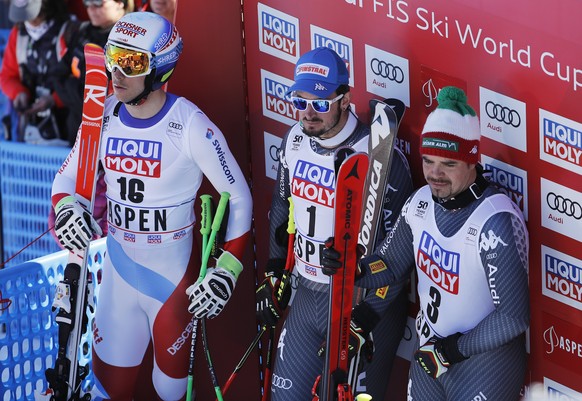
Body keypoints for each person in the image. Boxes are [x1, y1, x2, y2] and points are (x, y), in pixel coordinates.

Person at [51, 11, 252, 401]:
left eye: (132, 63)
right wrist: (66, 209)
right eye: (113, 57)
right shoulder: (102, 114)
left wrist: (227, 270)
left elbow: (240, 197)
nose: (116, 72)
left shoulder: (189, 124)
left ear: (160, 68)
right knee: (110, 387)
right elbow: (67, 177)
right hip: (119, 275)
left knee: (169, 391)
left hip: (172, 283)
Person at [323, 86, 530, 401]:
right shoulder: (419, 203)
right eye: (429, 161)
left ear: (472, 160)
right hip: (431, 353)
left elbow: (513, 317)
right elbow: (390, 264)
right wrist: (355, 268)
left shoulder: (495, 220)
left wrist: (450, 350)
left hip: (485, 364)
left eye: (448, 164)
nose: (435, 174)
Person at [255, 46, 413, 400]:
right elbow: (283, 205)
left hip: (361, 304)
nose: (308, 114)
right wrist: (275, 268)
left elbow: (402, 258)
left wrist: (368, 316)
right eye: (300, 101)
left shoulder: (379, 158)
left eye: (321, 103)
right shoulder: (294, 140)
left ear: (345, 100)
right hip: (308, 293)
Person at [54, 0, 134, 146]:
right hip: (76, 125)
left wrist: (72, 87)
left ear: (120, 3)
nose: (91, 9)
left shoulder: (131, 39)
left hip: (112, 129)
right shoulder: (79, 31)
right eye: (87, 3)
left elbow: (118, 94)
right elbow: (58, 75)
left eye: (98, 3)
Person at [0, 0, 75, 145]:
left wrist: (54, 99)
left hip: (66, 126)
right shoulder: (19, 33)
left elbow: (80, 82)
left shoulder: (70, 31)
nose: (28, 21)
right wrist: (19, 93)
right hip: (31, 128)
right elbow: (7, 76)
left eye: (32, 15)